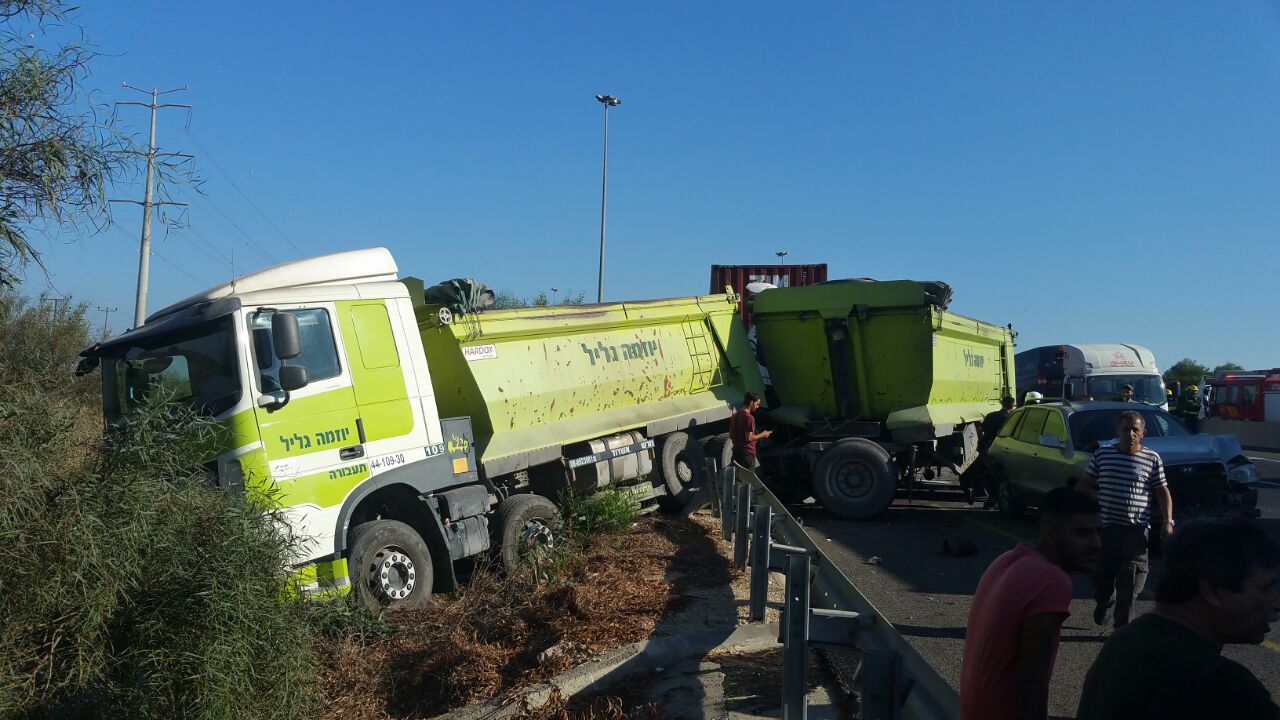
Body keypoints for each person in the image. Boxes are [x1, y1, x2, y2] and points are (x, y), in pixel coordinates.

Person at [1076, 517, 1280, 719]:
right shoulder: (1225, 686)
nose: (1276, 603)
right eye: (1265, 588)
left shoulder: (1124, 640)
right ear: (1211, 591)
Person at [960, 487, 1102, 720]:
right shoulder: (1052, 580)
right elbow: (1032, 683)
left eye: (1098, 532)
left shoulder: (1008, 559)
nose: (1097, 544)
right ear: (1050, 535)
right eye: (1082, 534)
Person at [1075, 409, 1174, 628]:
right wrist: (1073, 512)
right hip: (1105, 530)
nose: (1130, 434)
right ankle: (1104, 600)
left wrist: (1168, 520)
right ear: (1117, 431)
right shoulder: (1103, 455)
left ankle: (1121, 630)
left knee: (1130, 583)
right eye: (1126, 429)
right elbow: (1085, 484)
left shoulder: (1152, 458)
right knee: (1101, 576)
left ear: (1143, 433)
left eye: (1135, 430)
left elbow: (1161, 490)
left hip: (1136, 532)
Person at [960, 395, 1014, 505]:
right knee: (993, 475)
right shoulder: (1009, 419)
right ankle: (991, 499)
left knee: (978, 469)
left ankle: (973, 489)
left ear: (1002, 403)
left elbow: (982, 429)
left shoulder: (991, 415)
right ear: (1012, 406)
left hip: (984, 447)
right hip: (997, 448)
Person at [729, 391, 771, 472]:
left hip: (736, 454)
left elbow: (731, 435)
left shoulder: (734, 416)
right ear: (751, 402)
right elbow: (749, 438)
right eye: (757, 404)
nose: (758, 407)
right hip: (747, 455)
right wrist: (763, 434)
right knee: (748, 480)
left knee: (737, 479)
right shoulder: (749, 418)